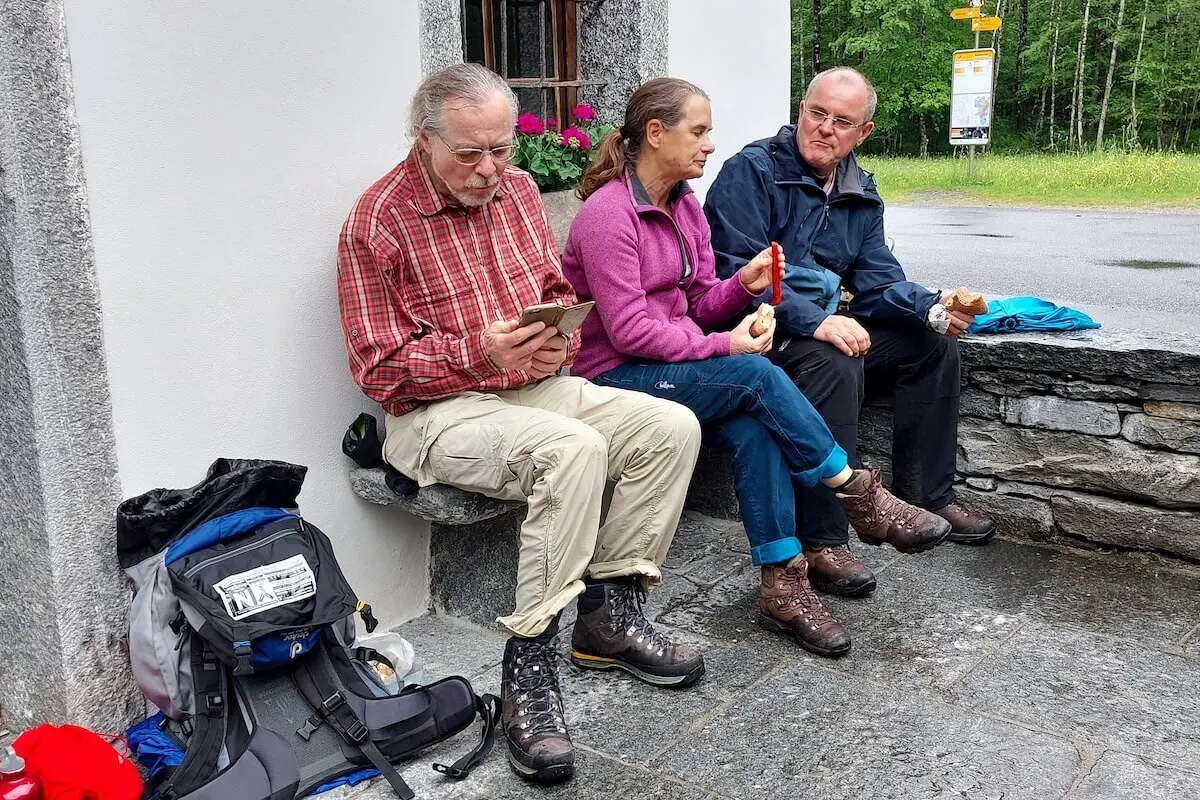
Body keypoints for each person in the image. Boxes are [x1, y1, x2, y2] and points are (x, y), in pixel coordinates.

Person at [337, 64, 706, 785]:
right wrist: (479, 351)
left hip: (534, 388)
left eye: (501, 149)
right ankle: (528, 673)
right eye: (470, 153)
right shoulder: (376, 223)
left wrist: (556, 332)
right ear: (424, 139)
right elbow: (378, 369)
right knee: (573, 450)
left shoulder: (518, 192)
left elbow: (555, 290)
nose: (489, 169)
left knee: (671, 427)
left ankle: (611, 617)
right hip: (433, 414)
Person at [560, 78, 951, 662]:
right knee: (757, 375)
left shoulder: (684, 204)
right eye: (699, 131)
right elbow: (630, 333)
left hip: (674, 371)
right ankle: (857, 492)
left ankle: (782, 585)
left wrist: (740, 287)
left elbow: (694, 303)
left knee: (756, 423)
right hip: (615, 378)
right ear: (655, 134)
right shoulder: (608, 215)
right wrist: (725, 345)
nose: (710, 145)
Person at [704, 67, 997, 601]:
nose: (824, 128)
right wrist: (814, 320)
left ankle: (925, 495)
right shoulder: (751, 172)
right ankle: (822, 542)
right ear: (800, 111)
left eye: (842, 121)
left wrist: (931, 308)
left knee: (932, 345)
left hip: (819, 326)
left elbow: (879, 279)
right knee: (833, 359)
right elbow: (729, 271)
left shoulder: (860, 192)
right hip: (756, 333)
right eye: (816, 113)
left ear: (863, 133)